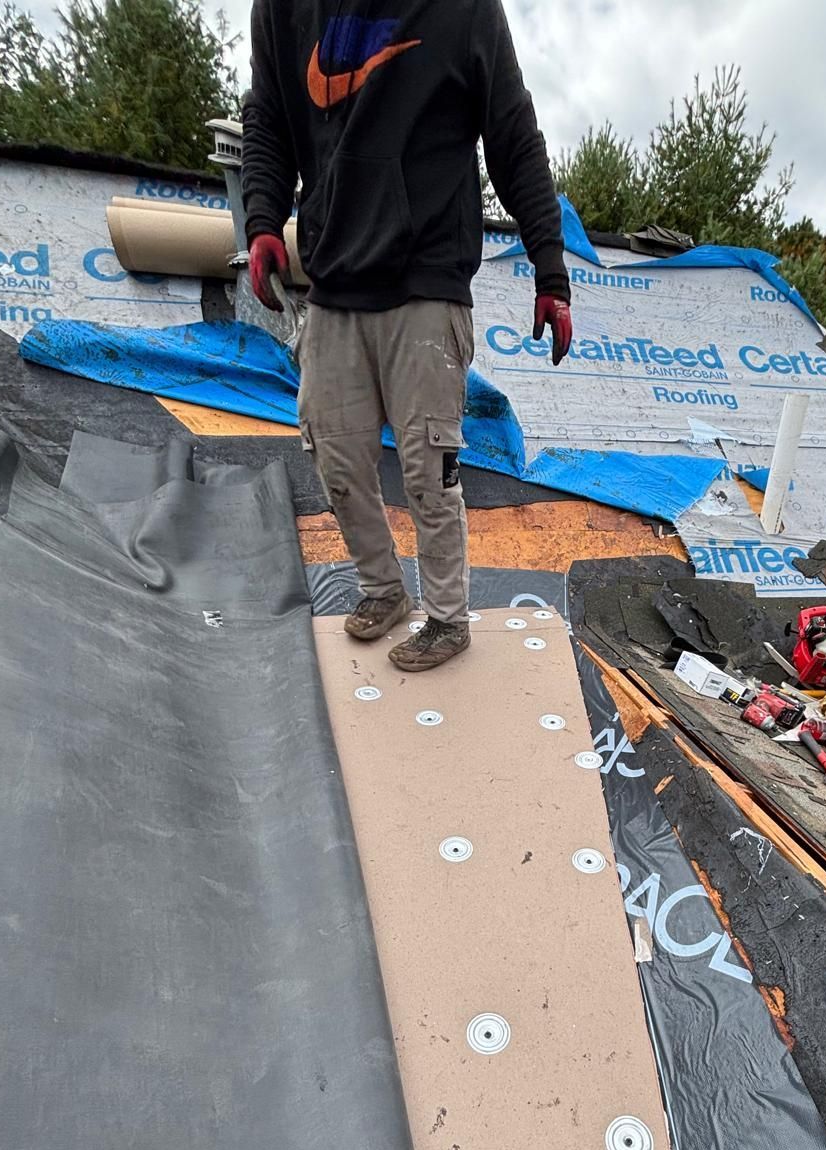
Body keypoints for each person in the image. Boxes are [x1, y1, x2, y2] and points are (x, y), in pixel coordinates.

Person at [242, 0, 572, 672]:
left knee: (431, 468)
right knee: (333, 453)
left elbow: (513, 133)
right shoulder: (283, 7)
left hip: (427, 278)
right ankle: (383, 589)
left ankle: (448, 617)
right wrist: (263, 218)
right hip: (333, 279)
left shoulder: (465, 8)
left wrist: (550, 269)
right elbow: (269, 117)